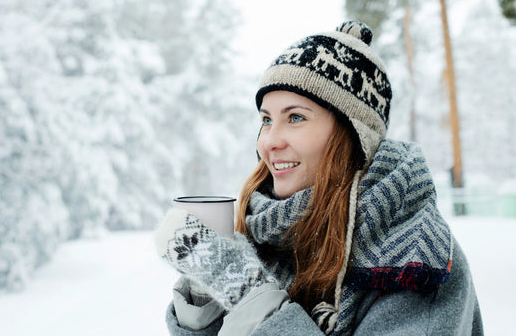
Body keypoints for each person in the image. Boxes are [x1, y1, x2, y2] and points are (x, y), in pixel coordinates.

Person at [155, 20, 483, 335]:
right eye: (267, 119)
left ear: (353, 135)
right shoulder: (273, 236)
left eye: (295, 117)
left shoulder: (412, 258)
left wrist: (246, 291)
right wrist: (205, 292)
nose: (269, 141)